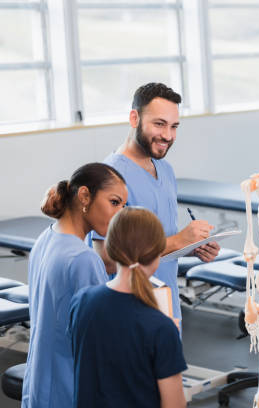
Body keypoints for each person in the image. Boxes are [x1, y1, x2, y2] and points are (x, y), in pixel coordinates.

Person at [91, 82, 219, 327]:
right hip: (129, 313)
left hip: (166, 304)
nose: (168, 136)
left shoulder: (165, 169)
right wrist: (178, 240)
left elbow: (160, 242)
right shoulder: (109, 178)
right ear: (134, 118)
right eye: (159, 124)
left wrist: (192, 246)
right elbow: (106, 259)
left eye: (174, 127)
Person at [21, 163, 128, 408]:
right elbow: (102, 341)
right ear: (84, 196)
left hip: (39, 382)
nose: (119, 214)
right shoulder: (84, 259)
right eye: (114, 202)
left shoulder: (46, 237)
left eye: (123, 206)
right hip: (71, 389)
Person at [69, 207, 187, 408]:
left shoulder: (82, 301)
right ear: (157, 254)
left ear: (111, 248)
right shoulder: (161, 328)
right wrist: (168, 343)